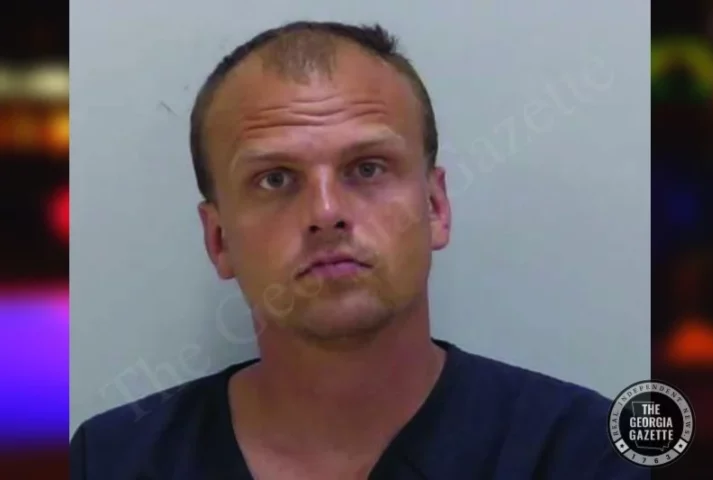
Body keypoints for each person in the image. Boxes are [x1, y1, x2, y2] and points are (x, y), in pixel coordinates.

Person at [70, 21, 648, 479]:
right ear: (218, 240)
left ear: (435, 208)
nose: (326, 213)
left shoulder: (585, 452)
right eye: (275, 179)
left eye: (367, 168)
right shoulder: (113, 460)